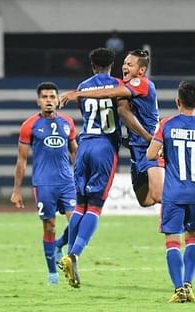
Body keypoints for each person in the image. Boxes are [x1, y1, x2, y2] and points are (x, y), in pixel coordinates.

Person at [146, 81, 195, 303]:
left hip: (173, 194)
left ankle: (179, 288)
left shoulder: (166, 125)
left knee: (173, 240)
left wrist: (163, 150)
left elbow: (150, 155)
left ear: (177, 101)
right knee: (194, 237)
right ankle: (189, 283)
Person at [60, 49, 161, 207]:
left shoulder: (140, 82)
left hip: (151, 145)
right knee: (145, 201)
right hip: (137, 147)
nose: (125, 67)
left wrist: (78, 94)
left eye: (130, 64)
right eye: (124, 63)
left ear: (141, 70)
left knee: (158, 194)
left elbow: (110, 92)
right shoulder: (127, 85)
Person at [59, 47, 124, 288]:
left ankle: (67, 254)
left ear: (92, 65)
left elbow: (86, 113)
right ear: (112, 64)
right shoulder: (118, 85)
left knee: (80, 205)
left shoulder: (82, 87)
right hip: (105, 147)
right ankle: (74, 254)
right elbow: (123, 112)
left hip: (84, 144)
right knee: (95, 207)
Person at [10, 82, 77, 285]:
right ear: (38, 101)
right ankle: (52, 274)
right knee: (50, 227)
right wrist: (16, 191)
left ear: (58, 100)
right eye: (45, 97)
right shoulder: (29, 125)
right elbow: (21, 160)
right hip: (44, 183)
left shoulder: (68, 122)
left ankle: (59, 246)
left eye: (52, 97)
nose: (49, 100)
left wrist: (81, 176)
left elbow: (75, 151)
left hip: (67, 182)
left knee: (77, 223)